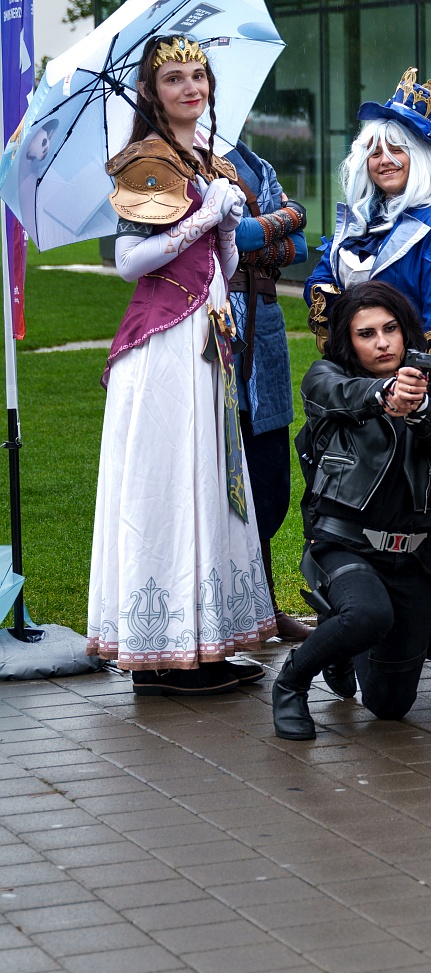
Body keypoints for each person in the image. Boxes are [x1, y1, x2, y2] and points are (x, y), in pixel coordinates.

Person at [87, 34, 274, 690]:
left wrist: (224, 228)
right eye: (174, 79)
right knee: (172, 482)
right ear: (151, 91)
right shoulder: (148, 160)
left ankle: (201, 641)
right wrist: (202, 219)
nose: (191, 87)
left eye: (198, 75)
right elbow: (128, 262)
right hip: (165, 344)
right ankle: (162, 653)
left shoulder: (207, 161)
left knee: (209, 479)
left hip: (208, 335)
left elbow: (220, 264)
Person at [305, 70, 431, 665]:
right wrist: (328, 300)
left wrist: (406, 388)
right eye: (375, 150)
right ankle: (352, 619)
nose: (384, 160)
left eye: (398, 150)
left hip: (421, 391)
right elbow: (320, 285)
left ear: (423, 159)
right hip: (354, 393)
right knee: (349, 506)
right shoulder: (354, 222)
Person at [272, 284, 431, 740]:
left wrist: (417, 406)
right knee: (367, 615)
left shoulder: (430, 380)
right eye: (366, 334)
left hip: (411, 556)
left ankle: (341, 642)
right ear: (348, 340)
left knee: (389, 706)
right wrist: (385, 393)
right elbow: (339, 393)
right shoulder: (326, 375)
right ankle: (292, 682)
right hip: (345, 542)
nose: (382, 343)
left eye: (390, 329)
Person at [223, 135, 309, 642]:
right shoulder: (182, 160)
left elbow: (298, 247)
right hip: (217, 329)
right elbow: (232, 238)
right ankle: (235, 610)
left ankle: (264, 605)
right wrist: (286, 218)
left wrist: (258, 234)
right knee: (223, 478)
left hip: (267, 329)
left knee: (270, 481)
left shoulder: (255, 161)